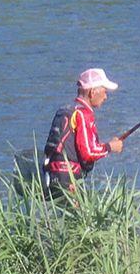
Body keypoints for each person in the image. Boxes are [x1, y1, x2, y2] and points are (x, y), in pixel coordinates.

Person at [42, 68, 124, 200]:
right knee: (76, 219)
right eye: (104, 91)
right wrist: (110, 147)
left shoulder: (65, 109)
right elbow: (88, 152)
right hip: (68, 179)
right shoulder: (84, 114)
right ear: (93, 92)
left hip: (51, 175)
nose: (105, 97)